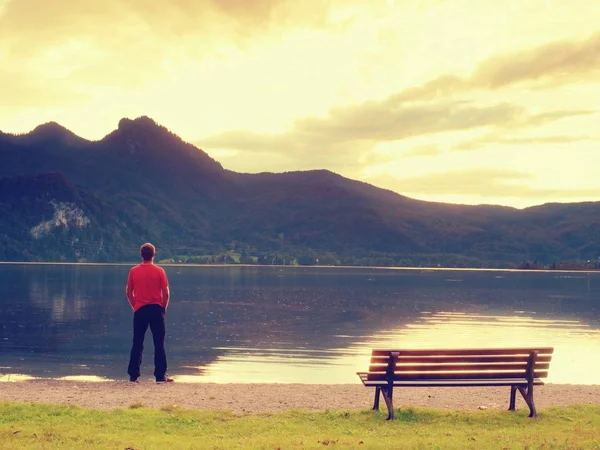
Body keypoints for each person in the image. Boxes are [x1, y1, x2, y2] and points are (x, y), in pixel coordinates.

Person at [126, 243, 173, 383]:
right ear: (153, 254)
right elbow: (166, 293)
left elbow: (128, 292)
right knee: (159, 343)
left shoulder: (133, 271)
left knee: (137, 343)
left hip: (140, 310)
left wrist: (135, 306)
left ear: (141, 254)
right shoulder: (159, 271)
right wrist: (163, 308)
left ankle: (133, 376)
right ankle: (160, 376)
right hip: (156, 310)